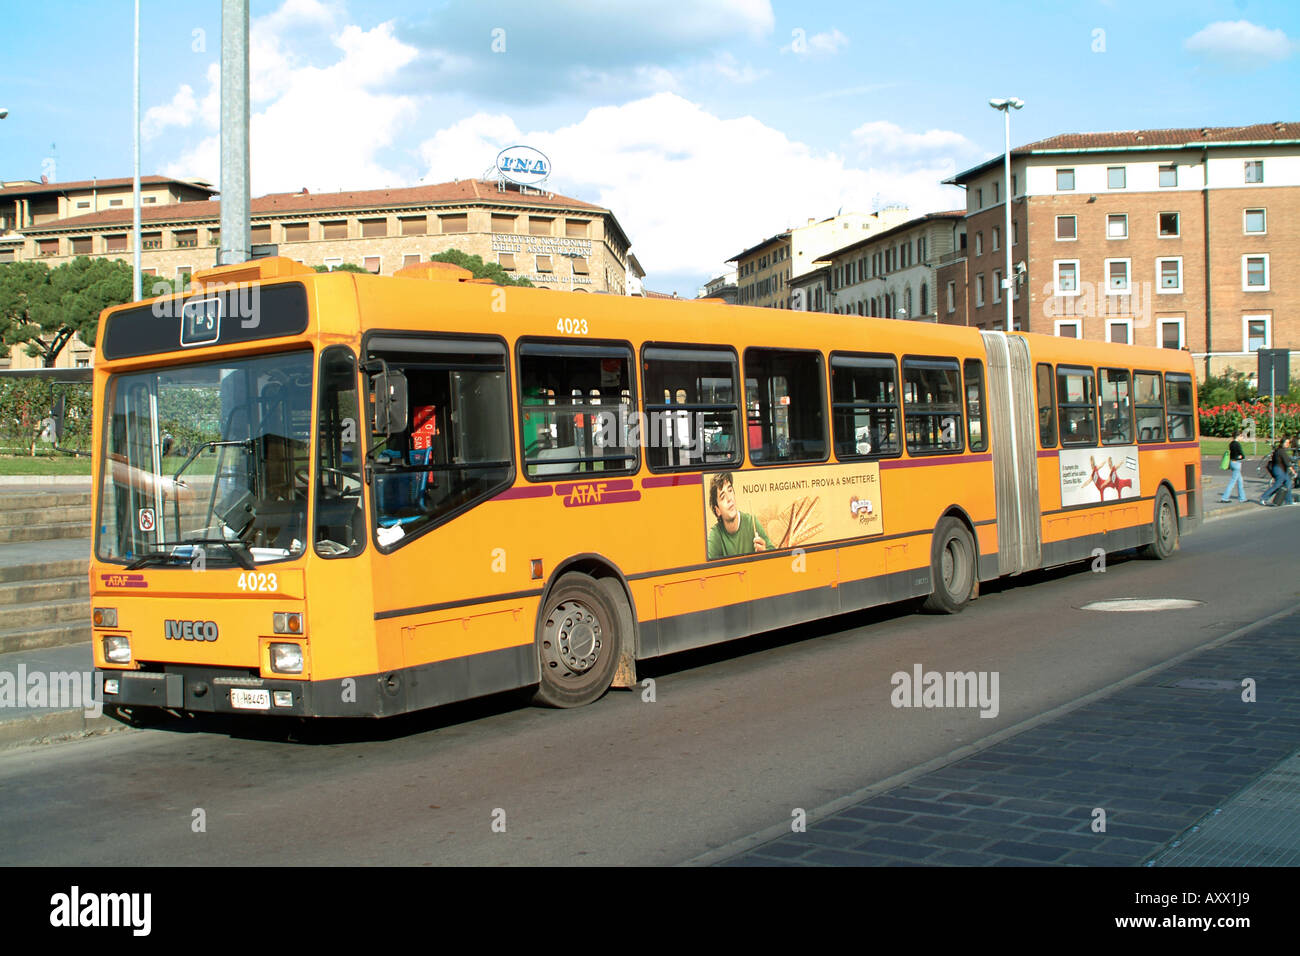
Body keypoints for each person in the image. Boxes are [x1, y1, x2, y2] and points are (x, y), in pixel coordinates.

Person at [706, 472, 774, 559]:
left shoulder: (751, 522)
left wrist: (764, 552)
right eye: (723, 497)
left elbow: (773, 556)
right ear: (718, 510)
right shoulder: (716, 535)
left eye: (730, 491)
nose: (729, 498)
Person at [1259, 437, 1296, 506]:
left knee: (1288, 484)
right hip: (1279, 470)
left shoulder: (1280, 450)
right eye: (1286, 443)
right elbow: (1287, 462)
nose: (1288, 444)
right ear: (1282, 443)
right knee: (1278, 484)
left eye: (1289, 443)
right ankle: (1263, 497)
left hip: (1281, 470)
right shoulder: (1281, 451)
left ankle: (1289, 500)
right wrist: (1293, 471)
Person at [1220, 431, 1247, 502]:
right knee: (1233, 481)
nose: (1242, 438)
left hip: (1232, 462)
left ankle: (1242, 498)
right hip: (1237, 463)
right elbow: (1241, 455)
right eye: (1241, 436)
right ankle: (1224, 498)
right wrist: (1242, 457)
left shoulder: (1231, 444)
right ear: (1238, 436)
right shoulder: (1237, 444)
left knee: (1240, 481)